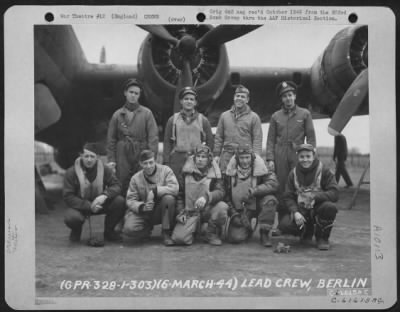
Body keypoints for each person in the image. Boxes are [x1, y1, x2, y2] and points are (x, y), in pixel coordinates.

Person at [278, 144, 339, 250]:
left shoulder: (324, 171)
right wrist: (295, 212)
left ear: (314, 156)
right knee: (284, 225)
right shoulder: (293, 173)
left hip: (319, 207)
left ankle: (322, 237)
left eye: (308, 156)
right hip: (302, 209)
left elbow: (335, 193)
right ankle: (306, 231)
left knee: (330, 208)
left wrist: (315, 196)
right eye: (302, 157)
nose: (305, 160)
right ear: (298, 157)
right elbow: (288, 196)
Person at [63, 142, 126, 243]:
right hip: (81, 206)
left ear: (98, 157)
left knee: (120, 202)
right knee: (71, 217)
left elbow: (117, 185)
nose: (89, 159)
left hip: (100, 204)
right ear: (81, 156)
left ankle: (109, 230)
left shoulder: (105, 169)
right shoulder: (71, 172)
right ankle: (76, 230)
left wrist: (105, 196)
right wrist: (89, 206)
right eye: (86, 156)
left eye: (92, 156)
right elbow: (68, 197)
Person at [106, 78, 159, 195]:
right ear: (125, 93)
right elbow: (111, 140)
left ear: (139, 95)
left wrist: (151, 157)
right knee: (121, 180)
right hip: (122, 152)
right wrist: (111, 160)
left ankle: (140, 208)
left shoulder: (147, 114)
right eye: (131, 92)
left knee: (142, 181)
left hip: (141, 150)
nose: (133, 96)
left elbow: (153, 137)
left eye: (136, 93)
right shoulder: (117, 115)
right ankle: (122, 208)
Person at [266, 80, 316, 196]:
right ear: (281, 99)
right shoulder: (275, 116)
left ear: (295, 96)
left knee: (298, 181)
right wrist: (270, 159)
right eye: (284, 96)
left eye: (290, 95)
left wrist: (311, 155)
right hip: (280, 154)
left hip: (298, 152)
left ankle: (299, 210)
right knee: (282, 183)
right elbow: (270, 140)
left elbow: (311, 137)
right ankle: (284, 211)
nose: (288, 98)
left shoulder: (305, 114)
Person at [171, 144, 228, 246]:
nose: (200, 160)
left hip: (207, 211)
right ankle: (197, 229)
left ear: (209, 159)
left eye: (203, 157)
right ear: (194, 158)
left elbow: (220, 192)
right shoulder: (185, 172)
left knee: (222, 207)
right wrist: (180, 212)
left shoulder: (215, 173)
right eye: (198, 156)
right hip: (190, 212)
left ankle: (211, 233)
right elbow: (179, 195)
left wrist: (207, 197)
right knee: (180, 239)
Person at [224, 144, 279, 247]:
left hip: (258, 204)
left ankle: (264, 233)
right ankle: (247, 229)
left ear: (252, 157)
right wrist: (233, 213)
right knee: (236, 238)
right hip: (241, 209)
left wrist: (254, 191)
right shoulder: (229, 171)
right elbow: (225, 195)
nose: (245, 161)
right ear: (237, 158)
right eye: (242, 158)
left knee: (270, 200)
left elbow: (273, 184)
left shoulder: (262, 167)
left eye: (247, 157)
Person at [123, 150, 179, 246]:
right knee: (129, 229)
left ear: (155, 161)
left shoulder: (166, 170)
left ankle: (166, 232)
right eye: (145, 163)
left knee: (169, 199)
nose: (148, 166)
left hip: (161, 209)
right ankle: (146, 230)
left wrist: (155, 190)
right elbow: (130, 199)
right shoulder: (135, 178)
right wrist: (141, 206)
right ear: (140, 164)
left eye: (151, 162)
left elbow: (174, 188)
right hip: (145, 211)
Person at [163, 86, 214, 184]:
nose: (189, 101)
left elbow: (210, 141)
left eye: (191, 99)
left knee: (194, 185)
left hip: (196, 159)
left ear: (195, 102)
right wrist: (166, 161)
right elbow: (167, 142)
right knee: (177, 185)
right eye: (186, 99)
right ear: (181, 101)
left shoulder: (203, 120)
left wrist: (208, 158)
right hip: (177, 159)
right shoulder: (172, 120)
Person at [214, 85, 263, 173]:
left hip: (244, 158)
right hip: (227, 156)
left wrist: (256, 157)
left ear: (247, 100)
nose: (239, 98)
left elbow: (257, 139)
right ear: (234, 98)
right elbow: (219, 137)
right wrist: (217, 155)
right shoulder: (224, 116)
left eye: (243, 97)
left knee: (243, 183)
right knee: (226, 182)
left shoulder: (254, 117)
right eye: (237, 96)